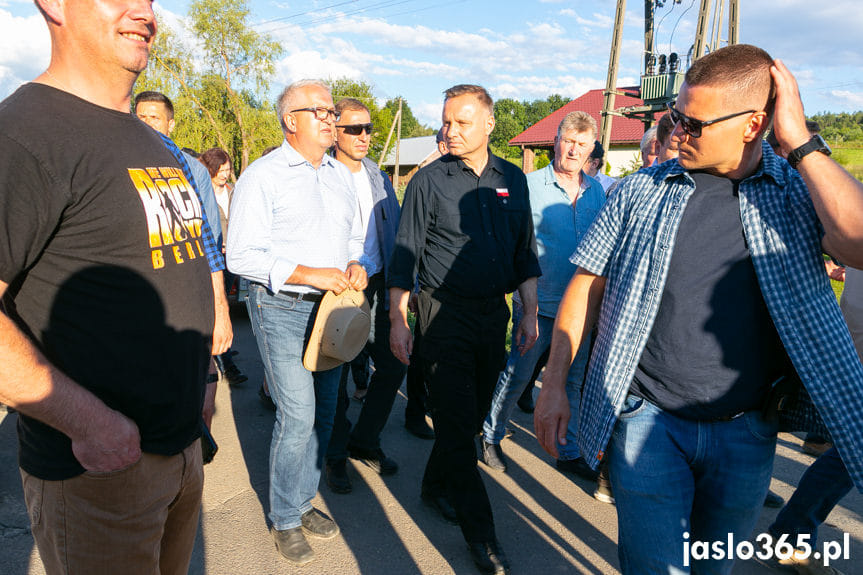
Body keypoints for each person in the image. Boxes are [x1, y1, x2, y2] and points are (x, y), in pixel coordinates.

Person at [534, 44, 863, 575]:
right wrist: (553, 385)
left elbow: (858, 243)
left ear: (754, 123)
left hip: (747, 432)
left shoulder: (794, 192)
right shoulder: (640, 191)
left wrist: (800, 140)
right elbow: (585, 285)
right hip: (648, 423)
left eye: (694, 122)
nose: (677, 131)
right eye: (675, 117)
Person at [0, 0, 231, 571]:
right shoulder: (22, 135)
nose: (145, 12)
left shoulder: (147, 139)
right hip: (97, 472)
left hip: (180, 451)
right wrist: (93, 425)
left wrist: (204, 373)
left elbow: (176, 268)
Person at [388, 84, 541, 575]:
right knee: (458, 428)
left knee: (470, 418)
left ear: (490, 124)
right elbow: (405, 253)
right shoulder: (428, 182)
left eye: (462, 122)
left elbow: (523, 251)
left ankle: (434, 487)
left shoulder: (514, 179)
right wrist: (397, 318)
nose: (450, 131)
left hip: (492, 316)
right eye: (446, 121)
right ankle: (485, 540)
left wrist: (529, 311)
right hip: (442, 313)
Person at [226, 79, 367, 565]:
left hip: (333, 312)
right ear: (291, 120)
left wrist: (356, 265)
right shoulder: (262, 177)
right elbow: (240, 254)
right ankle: (285, 517)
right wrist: (309, 274)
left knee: (326, 411)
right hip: (281, 307)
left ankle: (303, 499)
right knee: (298, 413)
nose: (332, 118)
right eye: (321, 111)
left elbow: (353, 241)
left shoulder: (340, 176)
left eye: (332, 111)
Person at [481, 112, 605, 478]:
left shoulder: (596, 190)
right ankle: (490, 435)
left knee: (573, 380)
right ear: (556, 141)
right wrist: (528, 308)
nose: (573, 150)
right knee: (518, 375)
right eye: (568, 141)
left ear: (591, 149)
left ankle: (568, 451)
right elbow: (517, 246)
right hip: (538, 302)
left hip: (580, 309)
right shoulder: (528, 185)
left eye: (582, 145)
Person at [325, 97, 406, 494]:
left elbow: (394, 230)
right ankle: (335, 454)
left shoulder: (377, 175)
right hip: (337, 287)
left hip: (376, 282)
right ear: (334, 131)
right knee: (336, 372)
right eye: (353, 129)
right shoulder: (321, 173)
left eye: (368, 128)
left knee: (392, 364)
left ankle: (365, 440)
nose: (363, 136)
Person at [199, 147, 248, 387]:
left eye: (228, 170)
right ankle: (228, 364)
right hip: (212, 257)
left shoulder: (231, 191)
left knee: (225, 306)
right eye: (220, 169)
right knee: (217, 306)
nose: (224, 174)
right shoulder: (200, 190)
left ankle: (222, 349)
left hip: (232, 256)